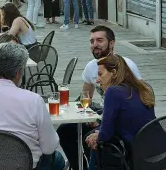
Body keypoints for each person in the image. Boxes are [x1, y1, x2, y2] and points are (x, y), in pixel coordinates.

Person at [0, 42, 65, 170]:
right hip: (22, 166)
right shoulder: (33, 101)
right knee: (57, 159)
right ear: (18, 73)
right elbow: (49, 147)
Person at [57, 25, 142, 170]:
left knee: (91, 138)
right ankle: (80, 165)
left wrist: (100, 127)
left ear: (112, 43)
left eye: (99, 40)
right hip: (105, 114)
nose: (95, 44)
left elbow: (135, 107)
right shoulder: (91, 66)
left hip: (124, 124)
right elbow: (85, 98)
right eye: (92, 41)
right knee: (65, 130)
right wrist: (90, 116)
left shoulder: (126, 66)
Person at [85, 54, 160, 169]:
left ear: (114, 73)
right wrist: (99, 133)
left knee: (95, 142)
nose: (97, 79)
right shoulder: (142, 88)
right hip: (159, 153)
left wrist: (97, 136)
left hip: (135, 158)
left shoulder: (113, 91)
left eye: (100, 74)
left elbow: (106, 133)